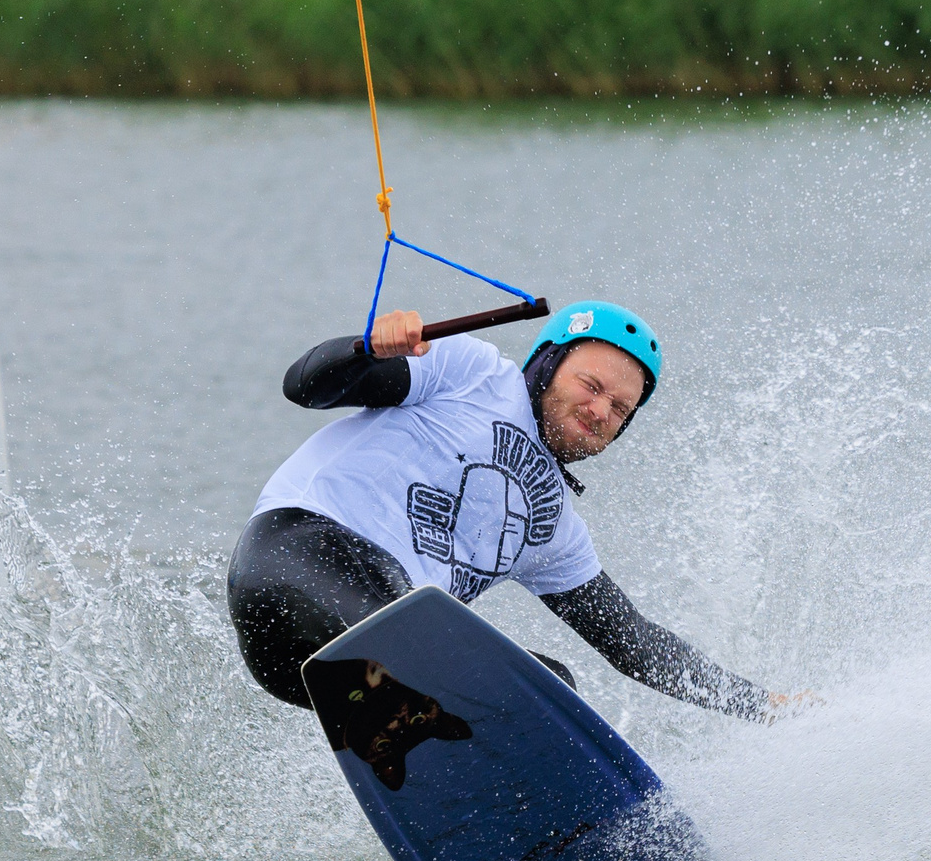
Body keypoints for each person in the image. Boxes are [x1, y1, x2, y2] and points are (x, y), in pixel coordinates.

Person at [230, 301, 803, 721]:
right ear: (549, 364)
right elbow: (306, 388)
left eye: (621, 408)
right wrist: (365, 350)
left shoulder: (555, 528)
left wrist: (761, 705)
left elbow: (633, 644)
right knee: (491, 675)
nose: (601, 409)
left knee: (548, 691)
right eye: (592, 384)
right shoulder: (473, 372)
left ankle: (522, 855)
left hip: (358, 666)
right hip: (297, 563)